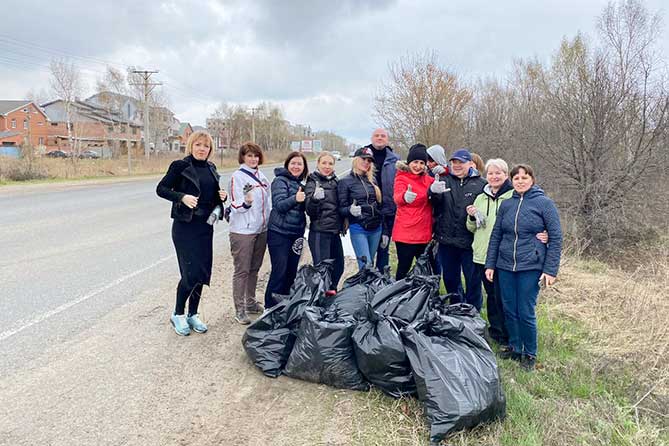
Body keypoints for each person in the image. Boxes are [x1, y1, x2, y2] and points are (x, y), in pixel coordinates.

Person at [485, 164, 563, 371]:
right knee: (509, 308)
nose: (520, 181)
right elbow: (496, 235)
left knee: (525, 310)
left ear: (532, 180)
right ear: (512, 181)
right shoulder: (507, 205)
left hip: (531, 265)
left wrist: (550, 270)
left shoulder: (544, 204)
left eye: (524, 177)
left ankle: (529, 353)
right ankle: (515, 346)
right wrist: (490, 264)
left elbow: (555, 237)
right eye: (516, 178)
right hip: (505, 265)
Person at [156, 131, 227, 336]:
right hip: (185, 227)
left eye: (206, 146)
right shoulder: (180, 166)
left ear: (210, 149)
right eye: (198, 144)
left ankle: (192, 314)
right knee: (190, 273)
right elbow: (161, 189)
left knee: (202, 273)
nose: (202, 149)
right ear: (191, 146)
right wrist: (182, 197)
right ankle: (178, 314)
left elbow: (211, 195)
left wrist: (221, 196)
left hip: (206, 227)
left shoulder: (212, 168)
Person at [429, 148, 486, 307]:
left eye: (461, 162)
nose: (457, 165)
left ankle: (473, 313)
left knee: (473, 282)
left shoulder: (481, 184)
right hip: (446, 241)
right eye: (454, 162)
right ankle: (456, 309)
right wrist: (433, 192)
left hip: (470, 243)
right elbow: (434, 204)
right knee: (450, 280)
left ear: (470, 164)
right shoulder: (443, 180)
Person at [228, 142, 271, 325]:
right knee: (242, 270)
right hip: (243, 231)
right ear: (243, 157)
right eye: (249, 156)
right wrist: (245, 202)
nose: (253, 159)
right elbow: (233, 204)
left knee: (254, 268)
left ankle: (251, 302)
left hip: (261, 229)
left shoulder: (262, 176)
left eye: (256, 155)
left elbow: (268, 202)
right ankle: (239, 309)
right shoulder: (237, 177)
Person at [264, 151, 309, 308]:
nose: (296, 166)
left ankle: (283, 307)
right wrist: (295, 199)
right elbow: (279, 205)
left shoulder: (302, 185)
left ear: (304, 168)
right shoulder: (279, 181)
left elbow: (307, 209)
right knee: (279, 271)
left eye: (299, 164)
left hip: (296, 234)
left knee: (291, 272)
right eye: (293, 163)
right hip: (279, 233)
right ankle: (269, 308)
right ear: (287, 164)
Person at [392, 144, 435, 280]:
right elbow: (397, 197)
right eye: (415, 162)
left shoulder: (428, 180)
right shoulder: (402, 177)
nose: (418, 166)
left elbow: (443, 182)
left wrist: (444, 171)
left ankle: (425, 298)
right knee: (404, 268)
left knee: (427, 270)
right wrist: (404, 196)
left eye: (422, 163)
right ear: (409, 162)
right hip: (406, 234)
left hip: (424, 233)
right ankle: (398, 297)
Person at [338, 147, 383, 270]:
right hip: (359, 228)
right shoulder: (345, 182)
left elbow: (379, 205)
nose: (366, 162)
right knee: (365, 266)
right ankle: (362, 288)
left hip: (376, 228)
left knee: (370, 265)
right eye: (363, 159)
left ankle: (367, 289)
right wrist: (349, 210)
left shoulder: (372, 181)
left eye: (369, 160)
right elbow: (341, 208)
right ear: (356, 159)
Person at [305, 151, 345, 289]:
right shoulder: (312, 181)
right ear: (318, 164)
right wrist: (314, 199)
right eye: (324, 163)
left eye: (330, 163)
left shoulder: (336, 181)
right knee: (322, 270)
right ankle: (318, 301)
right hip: (319, 232)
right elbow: (309, 211)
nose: (327, 166)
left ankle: (330, 293)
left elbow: (339, 205)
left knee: (339, 266)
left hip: (334, 232)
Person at [364, 128, 399, 273]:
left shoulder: (394, 160)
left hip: (388, 211)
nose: (380, 138)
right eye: (377, 135)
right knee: (367, 253)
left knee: (384, 250)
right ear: (372, 138)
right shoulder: (363, 156)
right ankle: (365, 282)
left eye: (383, 136)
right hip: (368, 211)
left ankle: (381, 283)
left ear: (387, 139)